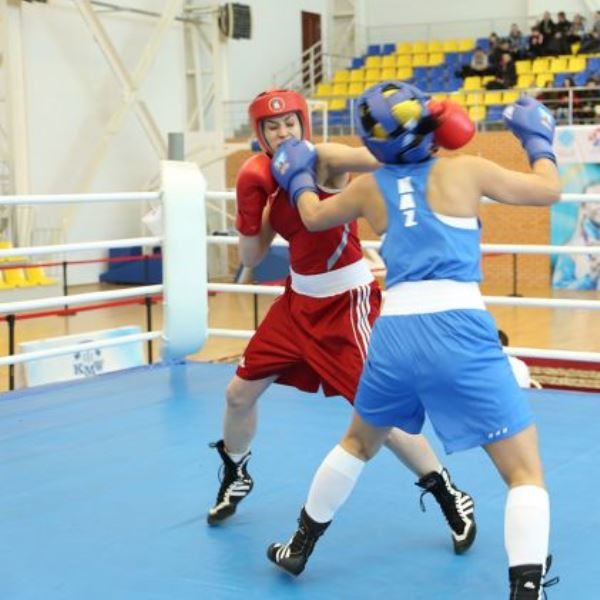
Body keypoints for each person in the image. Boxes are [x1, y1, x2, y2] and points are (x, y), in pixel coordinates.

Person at [266, 82, 561, 598]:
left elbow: (311, 216)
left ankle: (299, 545)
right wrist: (537, 142)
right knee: (523, 471)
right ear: (430, 123)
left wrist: (297, 176)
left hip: (395, 335)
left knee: (358, 443)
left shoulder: (368, 187)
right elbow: (548, 190)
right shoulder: (466, 169)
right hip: (458, 329)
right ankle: (527, 589)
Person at [207, 88, 477, 555]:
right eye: (272, 127)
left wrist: (420, 130)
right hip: (297, 304)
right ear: (261, 134)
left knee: (380, 415)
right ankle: (236, 472)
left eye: (289, 123)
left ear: (303, 124)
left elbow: (375, 158)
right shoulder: (264, 177)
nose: (283, 132)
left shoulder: (325, 159)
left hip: (345, 306)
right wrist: (250, 209)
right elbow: (251, 257)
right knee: (237, 394)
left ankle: (448, 492)